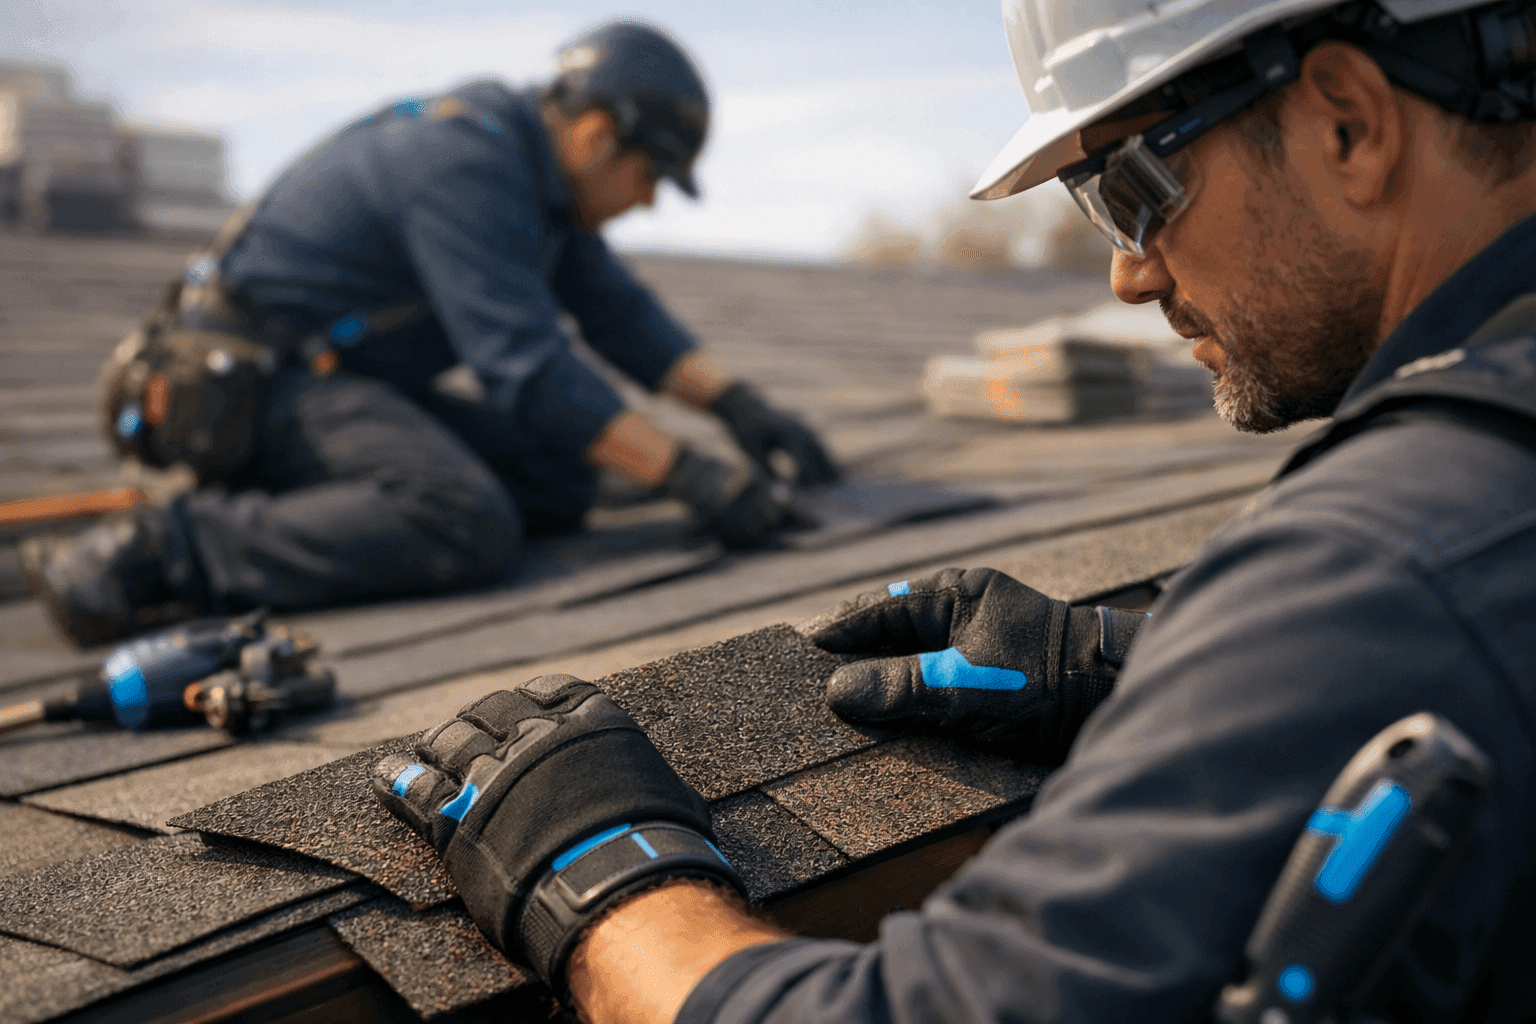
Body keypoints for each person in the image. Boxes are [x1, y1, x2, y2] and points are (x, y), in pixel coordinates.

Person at [371, 2, 1536, 1022]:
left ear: (1348, 121)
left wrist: (604, 888)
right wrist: (1145, 661)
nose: (1128, 273)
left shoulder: (1385, 567)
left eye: (1131, 188)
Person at [21, 20, 838, 648]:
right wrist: (696, 477)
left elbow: (620, 315)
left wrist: (740, 407)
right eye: (651, 176)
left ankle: (317, 506)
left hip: (336, 382)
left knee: (560, 474)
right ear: (596, 135)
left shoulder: (536, 183)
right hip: (250, 384)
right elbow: (528, 369)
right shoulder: (465, 165)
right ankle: (155, 549)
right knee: (462, 517)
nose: (649, 201)